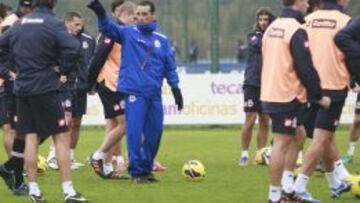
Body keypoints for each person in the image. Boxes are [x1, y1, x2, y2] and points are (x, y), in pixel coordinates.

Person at [88, 0, 183, 183]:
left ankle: (146, 169)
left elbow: (169, 66)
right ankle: (137, 172)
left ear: (153, 16)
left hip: (154, 94)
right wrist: (99, 12)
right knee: (133, 132)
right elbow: (108, 28)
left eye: (144, 14)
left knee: (155, 133)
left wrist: (175, 88)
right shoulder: (127, 33)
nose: (140, 18)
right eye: (137, 14)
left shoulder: (161, 40)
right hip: (133, 93)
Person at [0, 0, 87, 201]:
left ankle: (33, 190)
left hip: (22, 89)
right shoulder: (53, 23)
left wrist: (10, 71)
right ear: (53, 3)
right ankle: (68, 191)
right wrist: (61, 69)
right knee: (61, 136)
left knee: (30, 136)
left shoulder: (20, 24)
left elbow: (2, 48)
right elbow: (74, 48)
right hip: (45, 88)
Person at [260, 0, 331, 202]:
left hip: (273, 91)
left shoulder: (272, 27)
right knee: (281, 143)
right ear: (298, 1)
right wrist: (317, 95)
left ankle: (288, 187)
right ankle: (275, 196)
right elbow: (304, 65)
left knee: (299, 136)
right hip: (286, 94)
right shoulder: (295, 29)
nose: (308, 2)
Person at [292, 0, 353, 201]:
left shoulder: (307, 20)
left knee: (324, 136)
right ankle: (298, 187)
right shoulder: (346, 21)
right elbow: (352, 55)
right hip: (333, 87)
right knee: (321, 138)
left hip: (309, 87)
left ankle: (335, 183)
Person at [87, 0, 136, 179]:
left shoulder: (124, 32)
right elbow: (98, 57)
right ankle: (98, 156)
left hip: (116, 84)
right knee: (126, 123)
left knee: (113, 124)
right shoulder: (114, 32)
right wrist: (89, 82)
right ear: (125, 15)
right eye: (134, 16)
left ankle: (107, 167)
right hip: (110, 84)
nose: (136, 20)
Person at [47, 11, 95, 170]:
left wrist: (90, 84)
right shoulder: (56, 39)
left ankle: (70, 157)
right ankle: (53, 156)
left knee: (76, 123)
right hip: (62, 87)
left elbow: (90, 63)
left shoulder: (88, 40)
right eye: (76, 24)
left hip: (80, 87)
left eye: (81, 24)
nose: (80, 28)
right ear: (66, 22)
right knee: (62, 121)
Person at [0, 0, 33, 197]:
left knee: (26, 131)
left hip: (24, 86)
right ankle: (16, 173)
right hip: (12, 88)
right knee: (15, 130)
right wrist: (9, 74)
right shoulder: (11, 26)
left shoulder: (27, 25)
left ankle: (11, 167)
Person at [239, 7, 274, 166]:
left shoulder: (273, 36)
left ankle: (261, 154)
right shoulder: (253, 36)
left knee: (265, 120)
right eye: (260, 20)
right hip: (252, 82)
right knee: (250, 119)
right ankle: (244, 154)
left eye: (266, 20)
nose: (263, 22)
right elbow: (259, 45)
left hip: (268, 83)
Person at [335, 17, 360, 165]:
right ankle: (350, 154)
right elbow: (346, 65)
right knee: (357, 121)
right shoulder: (350, 47)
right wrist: (352, 82)